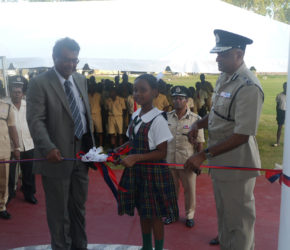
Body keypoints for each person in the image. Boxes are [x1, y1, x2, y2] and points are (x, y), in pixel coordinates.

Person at [185, 29, 264, 250]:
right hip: (220, 161)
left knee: (239, 222)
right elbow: (220, 114)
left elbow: (242, 134)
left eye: (223, 54)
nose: (217, 58)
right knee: (225, 216)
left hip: (237, 165)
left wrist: (202, 155)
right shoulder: (225, 78)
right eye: (217, 54)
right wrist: (198, 123)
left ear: (239, 54)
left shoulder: (248, 86)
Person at [26, 37, 95, 250]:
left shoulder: (81, 80)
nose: (71, 64)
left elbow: (84, 115)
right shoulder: (40, 83)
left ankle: (79, 246)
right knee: (59, 215)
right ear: (54, 58)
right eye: (66, 60)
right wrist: (48, 148)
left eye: (75, 60)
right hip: (56, 158)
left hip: (81, 157)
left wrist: (91, 147)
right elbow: (35, 120)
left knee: (78, 210)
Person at [118, 74, 178, 250]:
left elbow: (162, 152)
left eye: (143, 90)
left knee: (155, 215)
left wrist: (135, 157)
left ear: (155, 92)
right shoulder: (136, 114)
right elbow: (133, 140)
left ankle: (157, 248)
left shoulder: (158, 119)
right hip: (138, 173)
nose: (138, 94)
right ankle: (146, 246)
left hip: (153, 174)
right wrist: (119, 150)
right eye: (135, 90)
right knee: (143, 211)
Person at [165, 86, 204, 228]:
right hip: (169, 161)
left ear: (187, 101)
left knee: (189, 191)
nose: (177, 101)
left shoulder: (196, 119)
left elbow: (199, 143)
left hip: (187, 162)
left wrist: (198, 163)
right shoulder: (166, 117)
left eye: (180, 98)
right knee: (170, 191)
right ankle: (172, 214)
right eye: (175, 98)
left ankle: (189, 215)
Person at [8, 79, 37, 205]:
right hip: (11, 145)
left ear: (23, 93)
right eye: (14, 91)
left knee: (29, 171)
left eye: (19, 92)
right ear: (10, 92)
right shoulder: (5, 105)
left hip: (28, 143)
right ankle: (9, 194)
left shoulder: (28, 105)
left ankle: (29, 193)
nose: (16, 94)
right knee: (11, 173)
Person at [0, 85, 20, 219]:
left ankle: (2, 206)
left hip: (3, 150)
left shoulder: (6, 107)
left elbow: (12, 128)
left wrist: (17, 147)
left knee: (3, 180)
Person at [273, 82, 287, 147]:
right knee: (279, 127)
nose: (285, 88)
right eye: (284, 87)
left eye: (287, 87)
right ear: (283, 87)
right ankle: (277, 142)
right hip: (281, 112)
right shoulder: (279, 95)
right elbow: (277, 106)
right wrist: (277, 115)